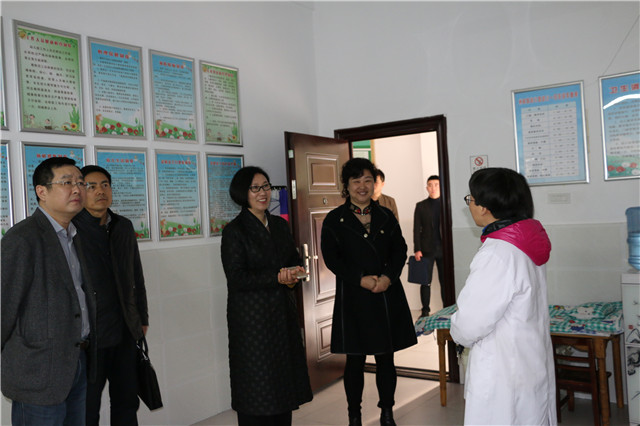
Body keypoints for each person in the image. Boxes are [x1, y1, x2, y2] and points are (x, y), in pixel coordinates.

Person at [449, 167, 556, 425]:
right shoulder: (525, 242)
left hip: (503, 368)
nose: (469, 205)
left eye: (471, 199)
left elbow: (470, 323)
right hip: (529, 359)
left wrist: (457, 332)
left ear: (485, 207)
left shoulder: (497, 253)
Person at [321, 158, 417, 426]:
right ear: (346, 185)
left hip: (386, 294)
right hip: (354, 296)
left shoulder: (386, 215)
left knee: (386, 358)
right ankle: (354, 416)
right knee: (355, 360)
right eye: (356, 181)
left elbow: (400, 250)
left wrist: (388, 277)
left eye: (367, 180)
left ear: (375, 184)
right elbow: (332, 258)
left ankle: (387, 412)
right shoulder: (335, 219)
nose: (362, 186)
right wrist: (359, 279)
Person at [1, 157, 97, 425]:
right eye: (67, 183)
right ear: (41, 192)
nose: (77, 189)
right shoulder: (22, 239)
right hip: (38, 370)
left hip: (76, 360)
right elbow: (3, 306)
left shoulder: (75, 235)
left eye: (80, 183)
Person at [221, 166, 312, 426]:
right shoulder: (234, 231)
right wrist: (276, 277)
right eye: (255, 188)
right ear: (243, 193)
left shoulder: (280, 225)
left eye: (266, 186)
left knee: (283, 384)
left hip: (282, 316)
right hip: (252, 323)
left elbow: (293, 260)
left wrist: (294, 275)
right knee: (257, 387)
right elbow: (236, 278)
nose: (263, 193)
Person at [72, 165, 149, 425]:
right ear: (80, 191)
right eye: (91, 186)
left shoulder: (123, 226)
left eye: (105, 185)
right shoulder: (73, 229)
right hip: (91, 336)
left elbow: (136, 275)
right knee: (87, 407)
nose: (100, 191)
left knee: (127, 401)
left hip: (124, 330)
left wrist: (142, 317)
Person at [412, 175, 443, 317]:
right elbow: (416, 229)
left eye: (436, 184)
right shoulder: (421, 206)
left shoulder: (446, 204)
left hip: (444, 249)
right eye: (430, 185)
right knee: (425, 281)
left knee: (445, 281)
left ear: (441, 186)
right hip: (426, 249)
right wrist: (417, 249)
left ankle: (448, 307)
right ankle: (425, 310)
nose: (433, 188)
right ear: (427, 188)